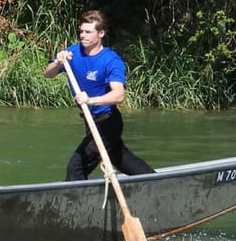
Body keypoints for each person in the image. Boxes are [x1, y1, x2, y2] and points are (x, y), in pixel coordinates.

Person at [43, 10, 154, 181]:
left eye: (88, 32)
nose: (82, 35)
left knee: (76, 167)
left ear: (100, 33)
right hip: (90, 120)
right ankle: (151, 180)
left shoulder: (111, 60)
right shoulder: (73, 53)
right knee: (121, 158)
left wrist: (90, 100)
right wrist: (58, 61)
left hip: (108, 121)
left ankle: (76, 204)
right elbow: (48, 74)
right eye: (81, 31)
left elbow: (118, 95)